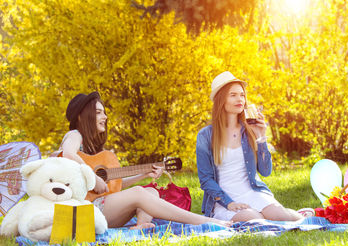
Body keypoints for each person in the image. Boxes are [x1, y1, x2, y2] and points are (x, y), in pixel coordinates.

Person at [60, 91, 231, 229]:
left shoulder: (95, 152)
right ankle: (202, 221)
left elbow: (115, 186)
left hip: (101, 211)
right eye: (98, 112)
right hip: (82, 212)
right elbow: (68, 154)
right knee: (139, 194)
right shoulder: (75, 135)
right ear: (82, 117)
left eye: (104, 112)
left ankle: (142, 226)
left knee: (150, 192)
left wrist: (143, 174)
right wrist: (94, 177)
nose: (104, 116)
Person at [196, 71, 315, 222]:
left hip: (252, 192)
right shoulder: (205, 136)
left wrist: (261, 137)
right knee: (257, 221)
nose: (240, 99)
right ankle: (287, 213)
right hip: (225, 200)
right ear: (221, 100)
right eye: (233, 95)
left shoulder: (249, 130)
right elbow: (206, 179)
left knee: (281, 217)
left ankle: (298, 214)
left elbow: (266, 171)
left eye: (242, 95)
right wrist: (229, 203)